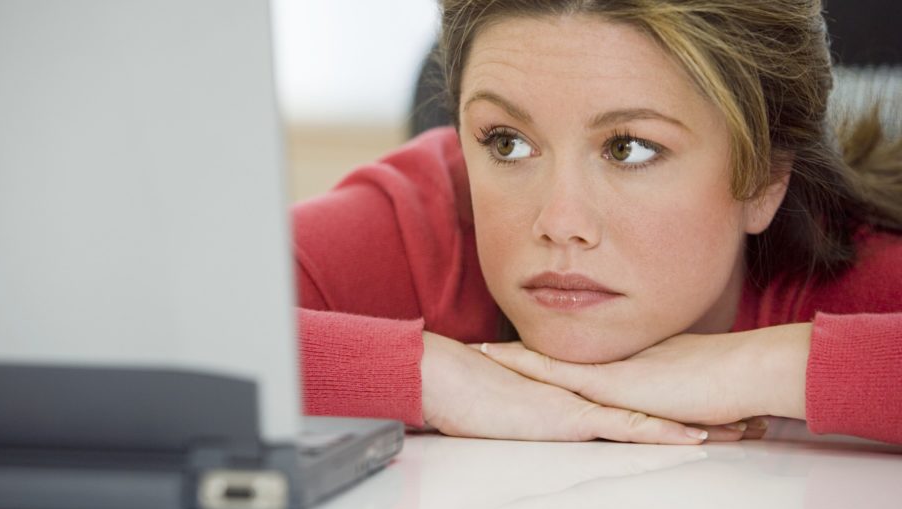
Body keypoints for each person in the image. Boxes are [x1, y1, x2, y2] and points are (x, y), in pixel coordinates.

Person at [292, 0, 902, 445]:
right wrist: (430, 377)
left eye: (630, 148)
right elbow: (195, 328)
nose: (560, 223)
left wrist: (770, 367)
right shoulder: (427, 215)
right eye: (506, 143)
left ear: (765, 178)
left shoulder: (851, 266)